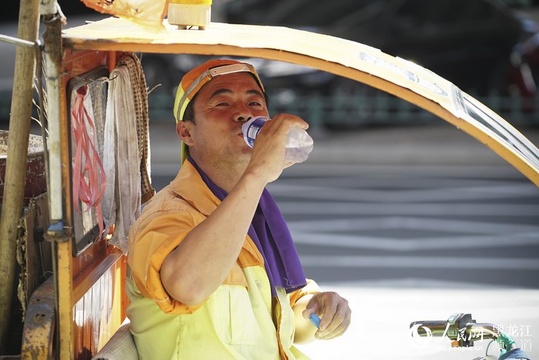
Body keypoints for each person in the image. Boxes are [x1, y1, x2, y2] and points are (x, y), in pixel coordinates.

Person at [126, 59, 352, 359]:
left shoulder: (252, 208)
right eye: (221, 103)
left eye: (255, 102)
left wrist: (319, 308)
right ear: (186, 133)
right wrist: (256, 173)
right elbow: (189, 286)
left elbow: (286, 323)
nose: (244, 113)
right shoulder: (169, 214)